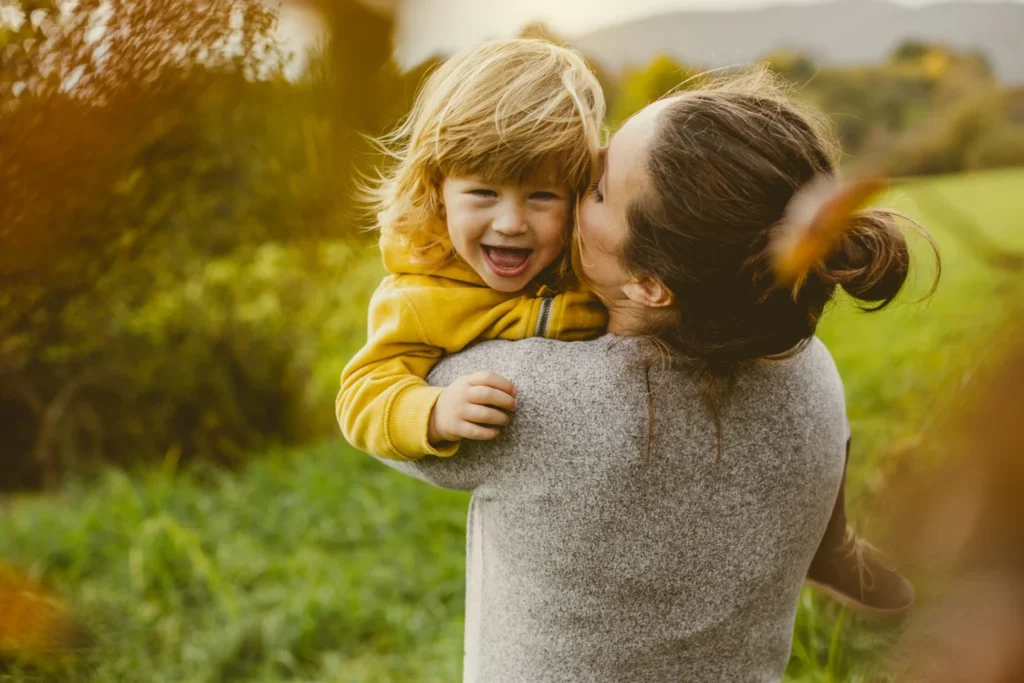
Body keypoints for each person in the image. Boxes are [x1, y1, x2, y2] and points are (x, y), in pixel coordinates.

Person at [371, 68, 936, 682]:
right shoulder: (811, 371)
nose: (572, 186)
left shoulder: (520, 395)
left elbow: (391, 401)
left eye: (594, 189)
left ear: (648, 283)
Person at [336, 38, 607, 464]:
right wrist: (434, 412)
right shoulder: (420, 295)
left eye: (542, 196)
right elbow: (361, 394)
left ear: (576, 196)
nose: (511, 223)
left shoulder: (592, 257)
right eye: (483, 193)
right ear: (437, 190)